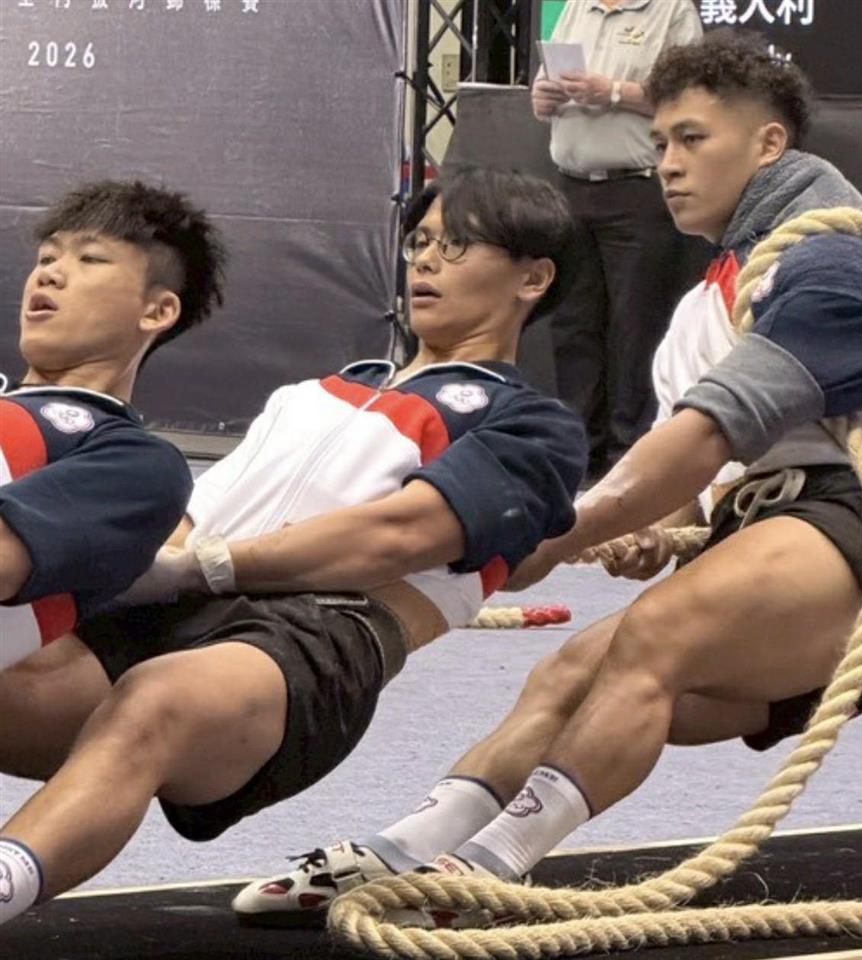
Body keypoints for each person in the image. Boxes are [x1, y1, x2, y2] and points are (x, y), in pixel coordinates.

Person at [233, 30, 862, 929]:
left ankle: (484, 874)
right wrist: (658, 528)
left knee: (655, 640)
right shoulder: (713, 291)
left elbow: (702, 436)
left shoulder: (830, 259)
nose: (667, 163)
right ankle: (402, 851)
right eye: (660, 141)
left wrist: (562, 536)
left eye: (692, 139)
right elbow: (704, 471)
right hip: (782, 536)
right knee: (567, 674)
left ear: (768, 145)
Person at [0, 167, 587, 927]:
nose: (425, 261)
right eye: (420, 242)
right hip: (173, 606)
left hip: (314, 635)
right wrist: (165, 562)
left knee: (154, 702)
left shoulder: (532, 425)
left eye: (458, 245)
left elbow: (398, 535)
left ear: (532, 278)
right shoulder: (311, 395)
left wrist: (210, 565)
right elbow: (189, 516)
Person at [0, 179, 226, 671]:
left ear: (157, 310)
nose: (49, 274)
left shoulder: (138, 465)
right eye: (46, 257)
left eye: (90, 259)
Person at [533, 0, 705, 481]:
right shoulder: (577, 7)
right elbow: (545, 93)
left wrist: (611, 92)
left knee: (635, 327)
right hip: (570, 185)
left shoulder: (671, 11)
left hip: (638, 188)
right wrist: (544, 98)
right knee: (573, 325)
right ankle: (577, 453)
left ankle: (628, 458)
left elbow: (688, 99)